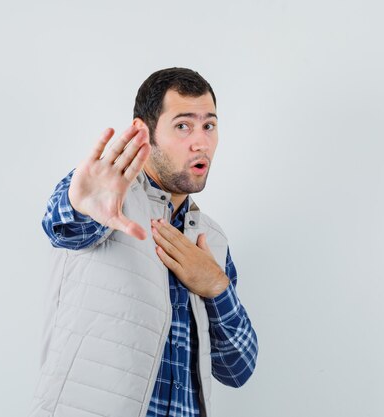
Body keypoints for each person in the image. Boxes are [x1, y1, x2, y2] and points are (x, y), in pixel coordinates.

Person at [30, 68, 258, 417]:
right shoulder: (107, 197)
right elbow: (61, 226)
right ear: (143, 133)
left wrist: (216, 286)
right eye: (183, 125)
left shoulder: (212, 240)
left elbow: (237, 369)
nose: (201, 142)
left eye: (209, 125)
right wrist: (79, 206)